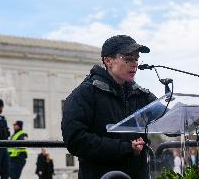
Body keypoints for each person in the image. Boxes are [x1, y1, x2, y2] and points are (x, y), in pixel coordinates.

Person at [61, 35, 156, 179]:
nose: (134, 64)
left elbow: (168, 118)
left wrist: (197, 117)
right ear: (108, 61)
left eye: (136, 59)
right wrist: (126, 148)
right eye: (128, 58)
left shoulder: (141, 95)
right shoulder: (86, 93)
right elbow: (75, 139)